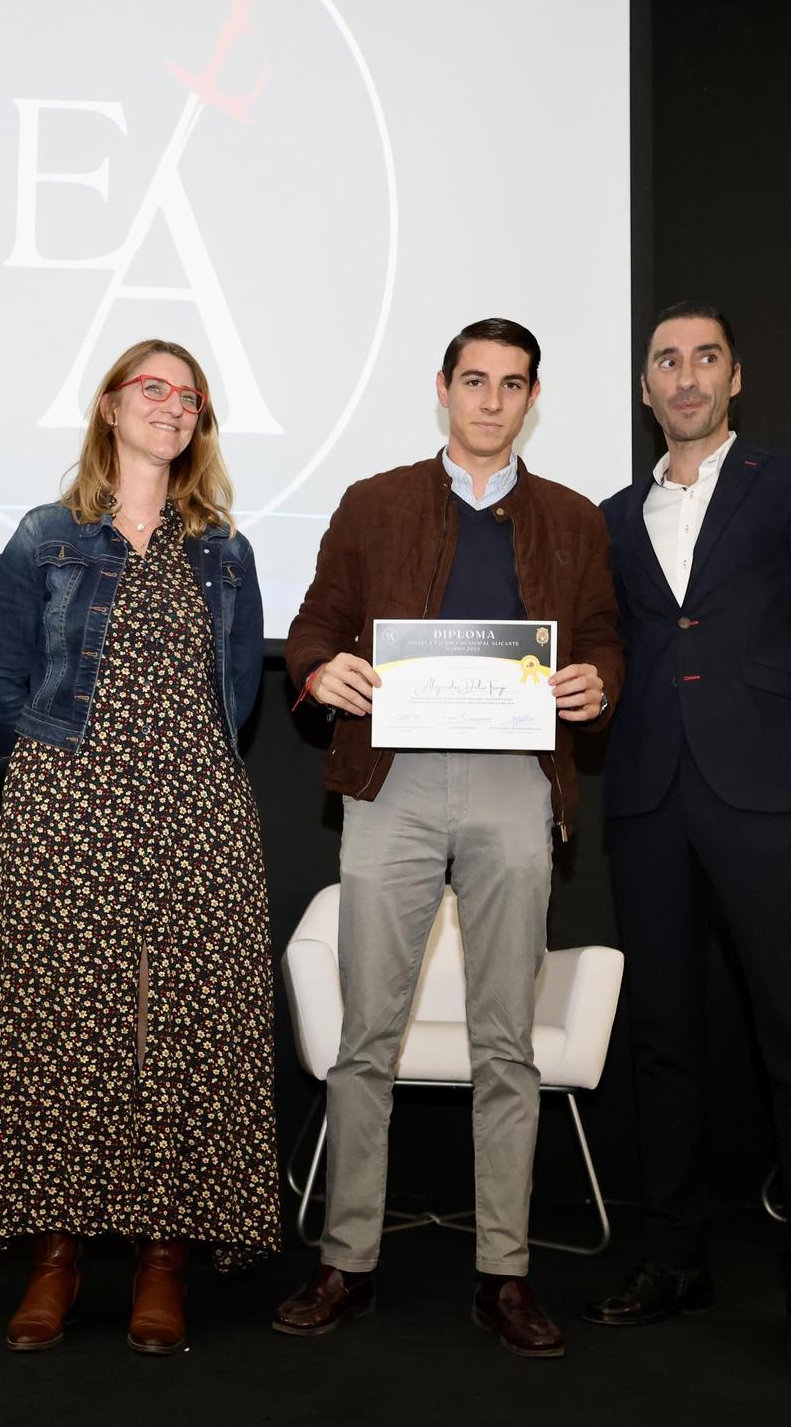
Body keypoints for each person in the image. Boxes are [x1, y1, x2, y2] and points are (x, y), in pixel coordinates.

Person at [274, 318, 621, 1357]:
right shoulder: (372, 500)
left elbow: (601, 631)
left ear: (530, 398)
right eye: (473, 380)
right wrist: (316, 670)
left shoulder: (569, 516)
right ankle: (346, 1260)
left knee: (504, 1040)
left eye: (511, 384)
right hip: (390, 779)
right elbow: (310, 623)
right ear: (442, 388)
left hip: (518, 779)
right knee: (364, 1037)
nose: (489, 400)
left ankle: (504, 1273)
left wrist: (599, 678)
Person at [0, 338, 277, 1356]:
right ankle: (54, 1257)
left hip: (194, 809)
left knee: (182, 1024)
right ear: (107, 404)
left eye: (188, 396)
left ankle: (163, 1257)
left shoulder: (223, 546)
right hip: (65, 805)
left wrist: (185, 774)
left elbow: (242, 696)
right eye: (152, 388)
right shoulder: (45, 536)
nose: (170, 407)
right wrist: (46, 784)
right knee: (58, 1025)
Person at [584, 303, 791, 1375]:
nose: (685, 376)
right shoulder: (611, 514)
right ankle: (672, 1257)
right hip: (650, 794)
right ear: (645, 386)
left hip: (766, 797)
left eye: (703, 357)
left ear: (733, 376)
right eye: (665, 361)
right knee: (661, 1035)